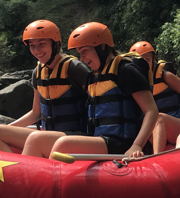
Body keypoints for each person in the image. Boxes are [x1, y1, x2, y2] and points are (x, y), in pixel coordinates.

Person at [50, 23, 159, 159]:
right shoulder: (93, 76)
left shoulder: (126, 70)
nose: (82, 58)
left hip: (123, 143)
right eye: (79, 53)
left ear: (102, 47)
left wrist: (137, 145)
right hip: (99, 140)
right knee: (36, 139)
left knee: (63, 144)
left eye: (85, 51)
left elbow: (151, 111)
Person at [0, 20, 90, 156]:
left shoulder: (74, 68)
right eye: (32, 46)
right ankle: (12, 170)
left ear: (56, 44)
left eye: (42, 44)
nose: (37, 50)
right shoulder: (38, 72)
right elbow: (35, 113)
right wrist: (6, 129)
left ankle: (24, 173)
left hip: (77, 136)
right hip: (48, 136)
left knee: (36, 139)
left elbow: (98, 102)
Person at [129, 41, 180, 153]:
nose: (144, 64)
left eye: (147, 59)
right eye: (140, 61)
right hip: (155, 129)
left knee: (159, 118)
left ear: (153, 59)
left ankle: (157, 159)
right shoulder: (136, 84)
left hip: (179, 125)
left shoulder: (165, 76)